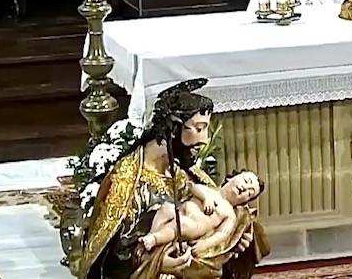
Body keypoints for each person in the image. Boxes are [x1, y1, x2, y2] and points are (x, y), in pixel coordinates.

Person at [79, 79, 268, 279]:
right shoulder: (127, 181)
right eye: (198, 128)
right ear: (174, 129)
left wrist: (236, 244)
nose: (204, 140)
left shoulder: (185, 173)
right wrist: (159, 263)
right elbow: (110, 261)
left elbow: (215, 233)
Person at [140, 171, 264, 253]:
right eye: (246, 181)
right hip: (181, 211)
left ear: (245, 201)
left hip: (193, 226)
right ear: (231, 177)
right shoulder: (208, 189)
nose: (246, 188)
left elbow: (221, 234)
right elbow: (192, 187)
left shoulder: (229, 213)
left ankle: (155, 239)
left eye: (250, 193)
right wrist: (205, 198)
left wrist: (204, 244)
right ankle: (153, 233)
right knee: (165, 209)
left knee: (179, 225)